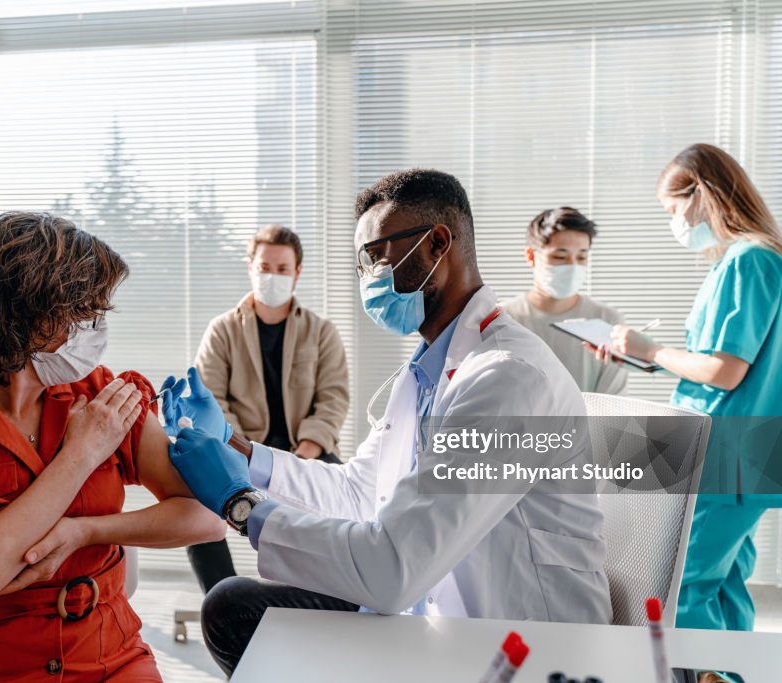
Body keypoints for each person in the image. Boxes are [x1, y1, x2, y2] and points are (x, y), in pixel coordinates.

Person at [163, 169, 613, 676]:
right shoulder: (426, 372)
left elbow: (393, 571)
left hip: (523, 648)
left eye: (376, 254)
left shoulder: (506, 378)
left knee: (249, 613)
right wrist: (241, 452)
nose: (369, 276)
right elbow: (360, 491)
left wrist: (240, 504)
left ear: (437, 244)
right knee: (235, 606)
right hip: (442, 618)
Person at [0, 212, 226, 681]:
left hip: (108, 654)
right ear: (20, 314)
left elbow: (208, 518)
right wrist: (80, 455)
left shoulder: (101, 395)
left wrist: (86, 532)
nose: (95, 330)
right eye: (83, 314)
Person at [602, 143, 782, 631]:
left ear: (701, 194)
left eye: (673, 209)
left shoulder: (748, 262)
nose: (674, 222)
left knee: (684, 587)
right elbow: (726, 366)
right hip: (749, 455)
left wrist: (650, 349)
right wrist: (646, 357)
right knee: (724, 585)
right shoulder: (762, 260)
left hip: (728, 455)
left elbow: (724, 372)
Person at [184, 224, 350, 593]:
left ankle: (330, 601)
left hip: (306, 454)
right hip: (239, 453)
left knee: (351, 506)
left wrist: (302, 455)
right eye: (265, 267)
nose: (271, 276)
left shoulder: (322, 332)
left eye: (281, 269)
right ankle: (225, 603)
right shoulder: (222, 330)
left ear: (297, 273)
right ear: (250, 266)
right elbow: (211, 401)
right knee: (194, 508)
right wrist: (245, 453)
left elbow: (333, 398)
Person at [503, 207, 627, 394]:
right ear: (531, 256)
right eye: (560, 256)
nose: (572, 266)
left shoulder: (607, 320)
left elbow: (612, 407)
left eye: (581, 256)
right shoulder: (504, 319)